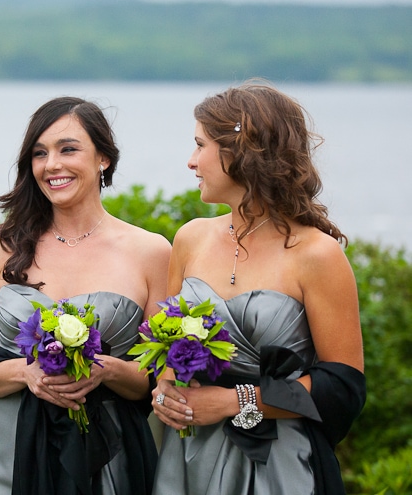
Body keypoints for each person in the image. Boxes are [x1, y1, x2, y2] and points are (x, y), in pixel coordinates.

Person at [151, 81, 366, 494]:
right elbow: (165, 344)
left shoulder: (316, 255)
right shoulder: (190, 238)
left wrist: (234, 402)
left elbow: (342, 386)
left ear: (240, 151)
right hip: (189, 459)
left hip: (282, 464)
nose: (191, 162)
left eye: (200, 145)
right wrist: (164, 387)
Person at [0, 96, 171, 495]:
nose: (51, 164)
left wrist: (107, 370)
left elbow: (156, 378)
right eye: (40, 153)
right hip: (8, 447)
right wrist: (26, 373)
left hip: (110, 452)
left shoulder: (152, 251)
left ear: (103, 158)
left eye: (67, 149)